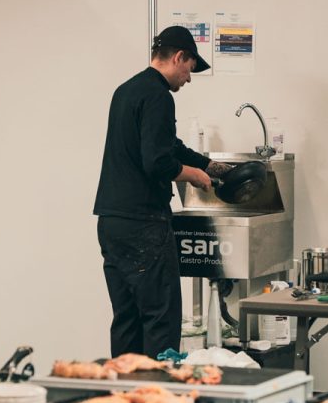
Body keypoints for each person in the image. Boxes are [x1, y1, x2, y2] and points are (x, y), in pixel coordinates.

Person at [93, 26, 232, 358]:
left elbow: (169, 145)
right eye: (190, 69)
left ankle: (126, 388)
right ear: (179, 57)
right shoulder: (159, 96)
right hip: (144, 225)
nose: (188, 79)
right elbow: (157, 162)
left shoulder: (126, 90)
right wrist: (194, 175)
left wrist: (210, 165)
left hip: (112, 222)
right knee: (161, 318)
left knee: (127, 318)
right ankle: (159, 387)